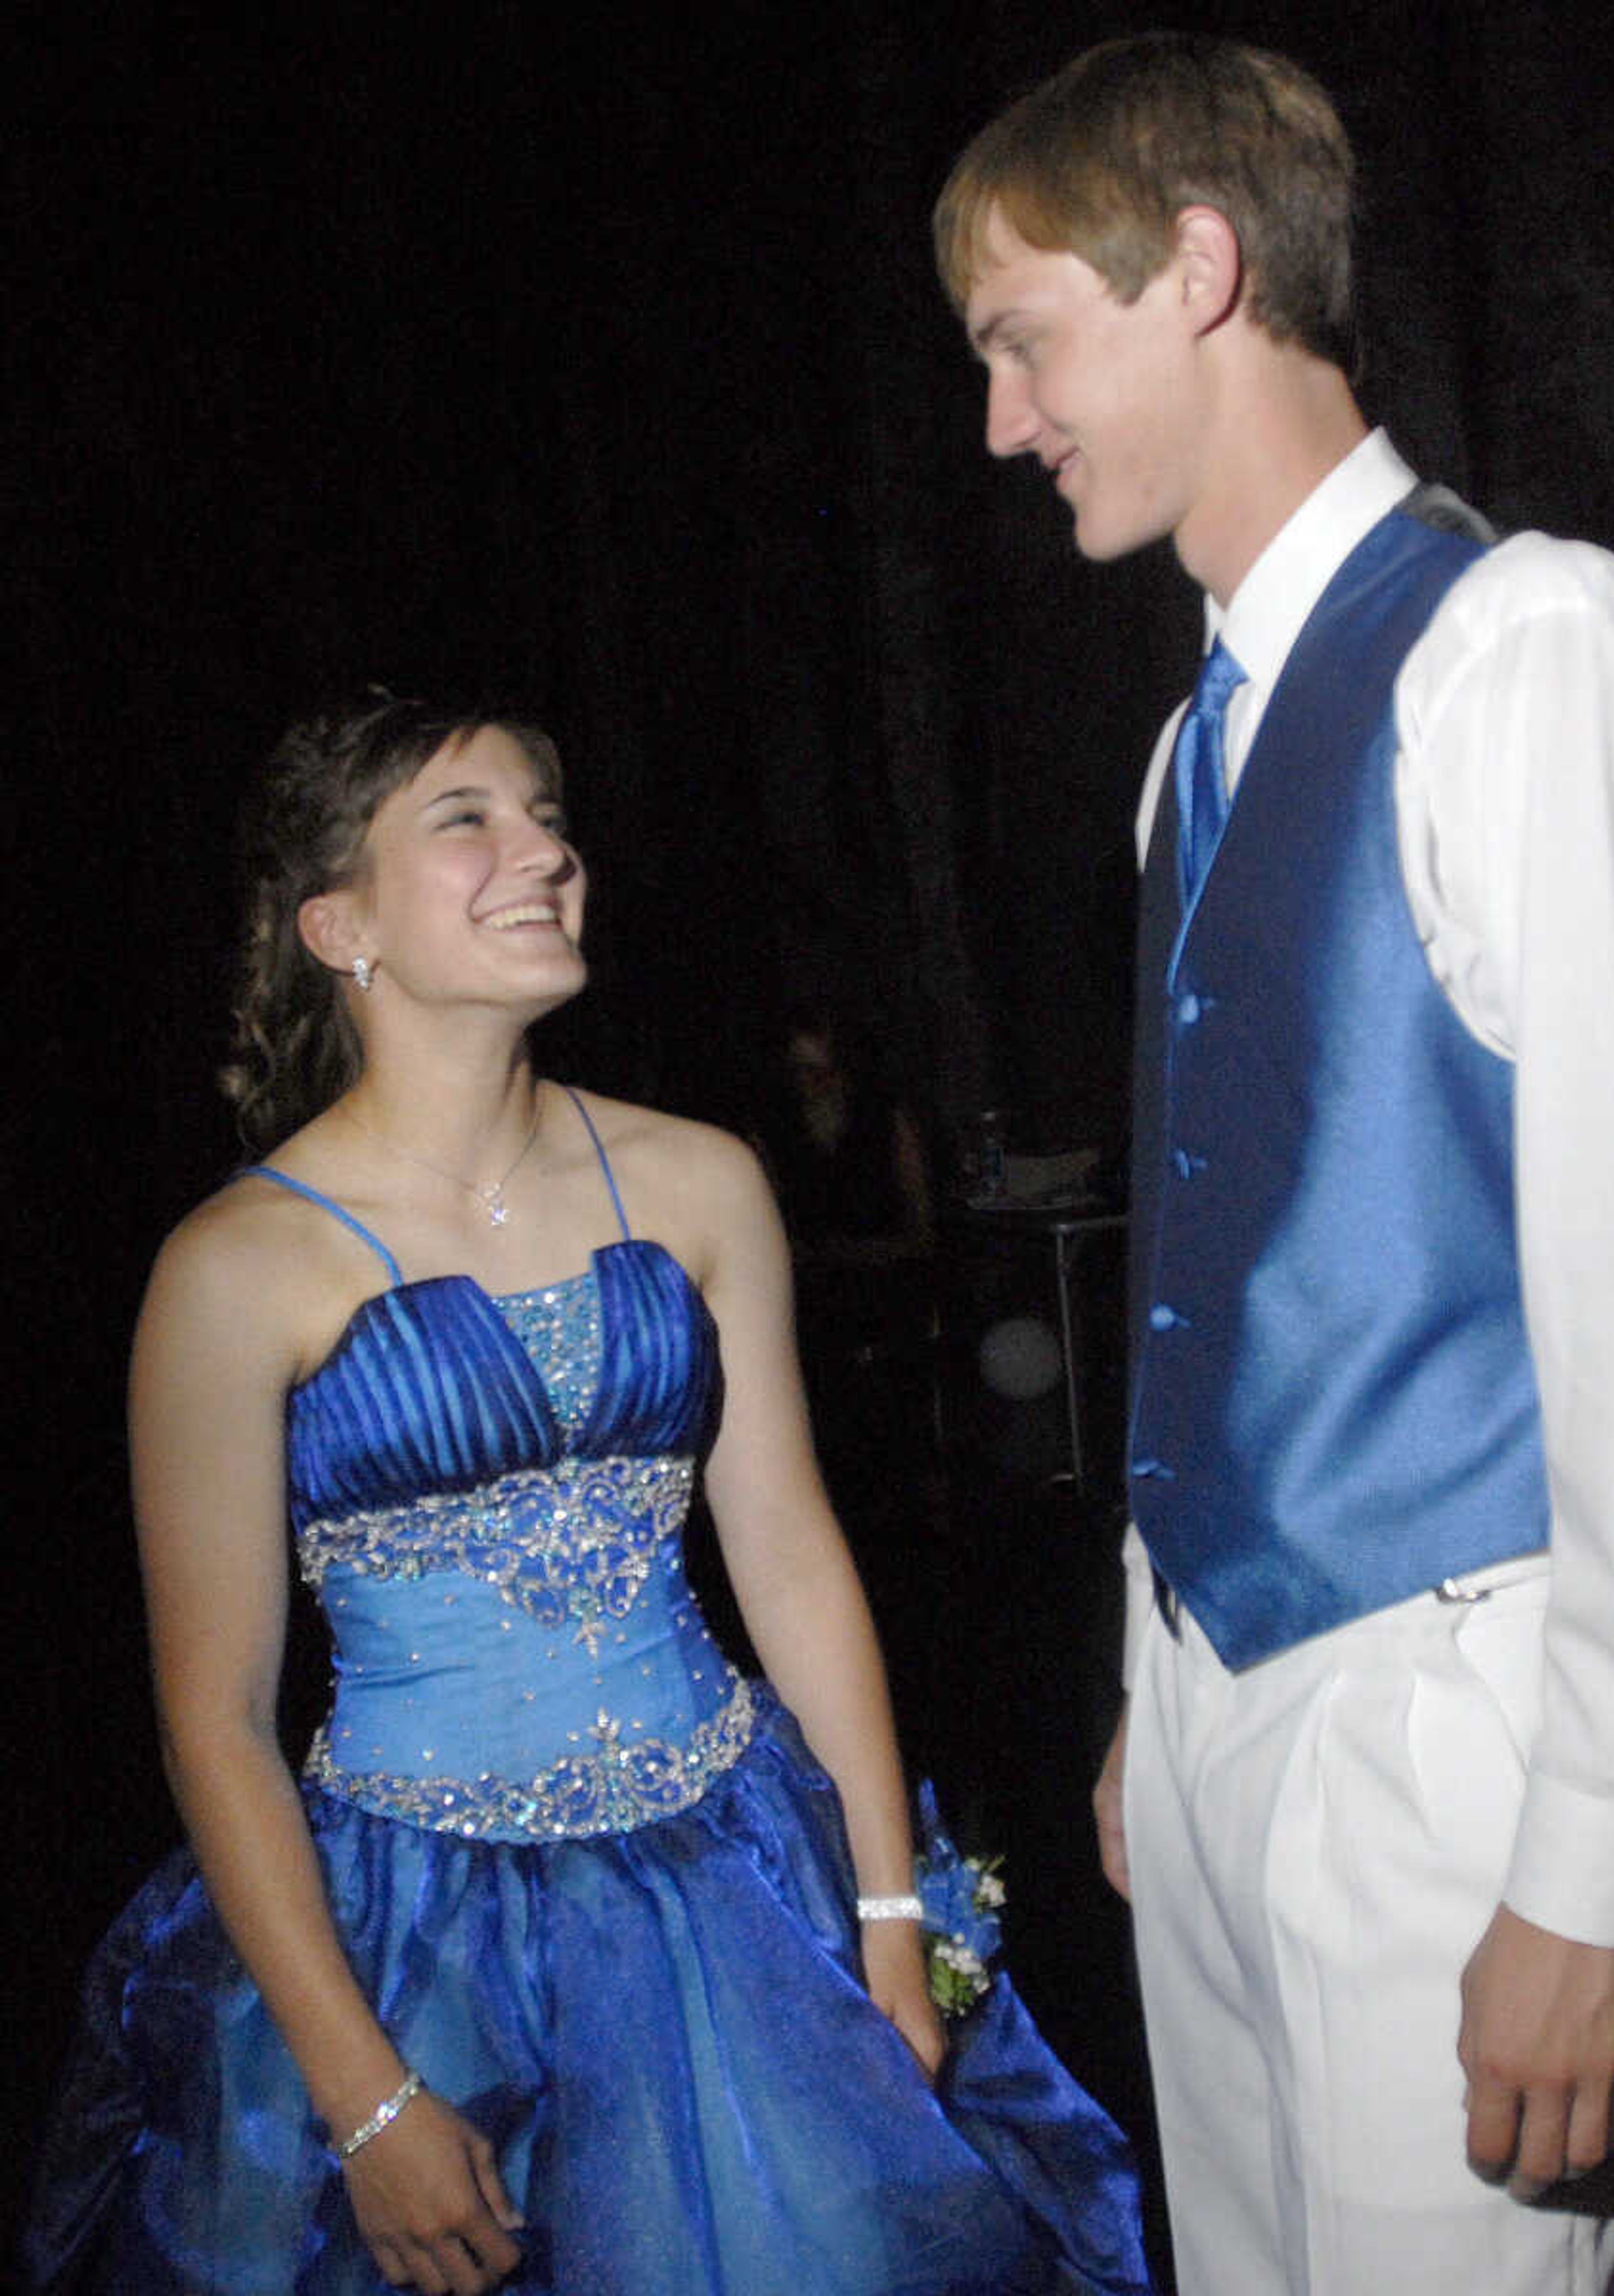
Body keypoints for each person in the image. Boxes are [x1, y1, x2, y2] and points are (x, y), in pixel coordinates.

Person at [935, 33, 1614, 2296]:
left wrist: (1602, 1855)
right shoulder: (1187, 751)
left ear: (1199, 269)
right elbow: (1224, 1257)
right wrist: (1170, 1682)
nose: (1001, 424)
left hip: (1465, 1731)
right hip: (1237, 1725)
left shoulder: (1534, 650)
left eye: (1024, 341)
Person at [23, 691, 1150, 2295]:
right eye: (466, 818)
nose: (545, 848)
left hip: (737, 1896)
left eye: (547, 812)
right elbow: (216, 1719)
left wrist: (890, 1920)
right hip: (410, 1937)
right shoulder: (231, 1270)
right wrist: (365, 2099)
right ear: (337, 923)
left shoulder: (701, 1180)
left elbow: (788, 1553)